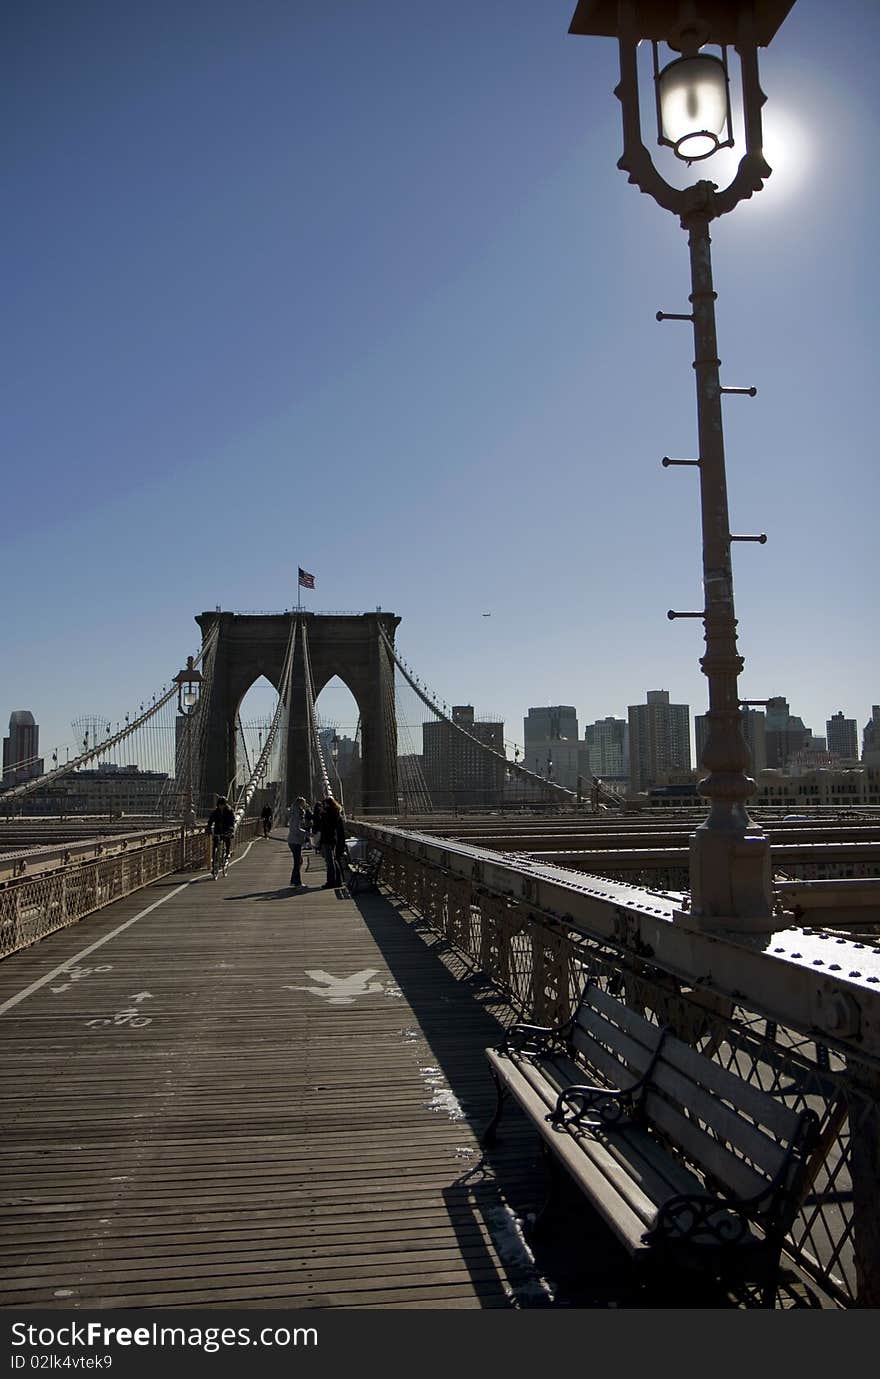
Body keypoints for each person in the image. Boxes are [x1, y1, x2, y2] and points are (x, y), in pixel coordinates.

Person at [317, 794, 346, 888]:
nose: (323, 806)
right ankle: (338, 881)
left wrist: (322, 814)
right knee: (333, 860)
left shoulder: (328, 814)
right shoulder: (335, 813)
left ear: (327, 804)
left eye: (324, 804)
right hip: (332, 839)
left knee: (330, 862)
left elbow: (324, 827)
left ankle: (331, 882)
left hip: (327, 839)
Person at [205, 795, 235, 876]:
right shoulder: (215, 812)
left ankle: (227, 853)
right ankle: (214, 865)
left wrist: (231, 829)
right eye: (220, 805)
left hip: (226, 830)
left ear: (225, 805)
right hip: (217, 830)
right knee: (215, 845)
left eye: (223, 805)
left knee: (227, 838)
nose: (221, 806)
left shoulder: (229, 811)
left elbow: (232, 821)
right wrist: (208, 828)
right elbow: (210, 821)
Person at [286, 796, 311, 889]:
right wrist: (308, 834)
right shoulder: (296, 815)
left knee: (299, 861)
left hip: (294, 840)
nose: (305, 805)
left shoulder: (295, 812)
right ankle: (297, 883)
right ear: (300, 804)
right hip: (295, 841)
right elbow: (295, 829)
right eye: (303, 803)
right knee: (297, 862)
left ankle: (294, 881)